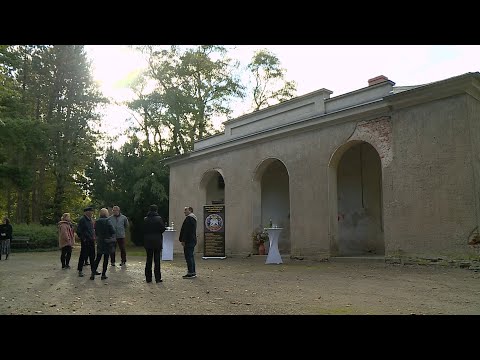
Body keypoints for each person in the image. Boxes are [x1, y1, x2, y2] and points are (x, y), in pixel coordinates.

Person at [90, 208, 116, 280]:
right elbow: (113, 230)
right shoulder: (108, 221)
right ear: (106, 213)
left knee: (98, 258)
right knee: (106, 258)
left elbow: (96, 231)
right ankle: (103, 274)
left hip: (100, 241)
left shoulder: (97, 222)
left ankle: (93, 273)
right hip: (107, 241)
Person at [143, 204, 166, 283]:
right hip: (157, 241)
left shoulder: (145, 219)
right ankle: (157, 278)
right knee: (157, 260)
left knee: (148, 259)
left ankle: (148, 278)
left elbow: (142, 229)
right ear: (156, 210)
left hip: (148, 241)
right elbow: (163, 229)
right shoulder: (159, 219)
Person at [76, 206, 96, 277]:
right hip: (85, 241)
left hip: (91, 240)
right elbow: (78, 231)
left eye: (92, 211)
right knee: (83, 255)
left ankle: (93, 270)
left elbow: (92, 230)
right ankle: (80, 270)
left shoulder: (90, 220)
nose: (92, 213)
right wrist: (83, 238)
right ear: (86, 212)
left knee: (92, 255)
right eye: (90, 211)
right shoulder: (82, 220)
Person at [179, 206, 197, 279]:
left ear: (190, 210)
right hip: (192, 240)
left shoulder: (189, 218)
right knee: (191, 256)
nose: (184, 211)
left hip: (189, 241)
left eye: (186, 210)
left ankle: (190, 273)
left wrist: (183, 240)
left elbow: (187, 231)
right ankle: (193, 272)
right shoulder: (193, 218)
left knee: (188, 256)